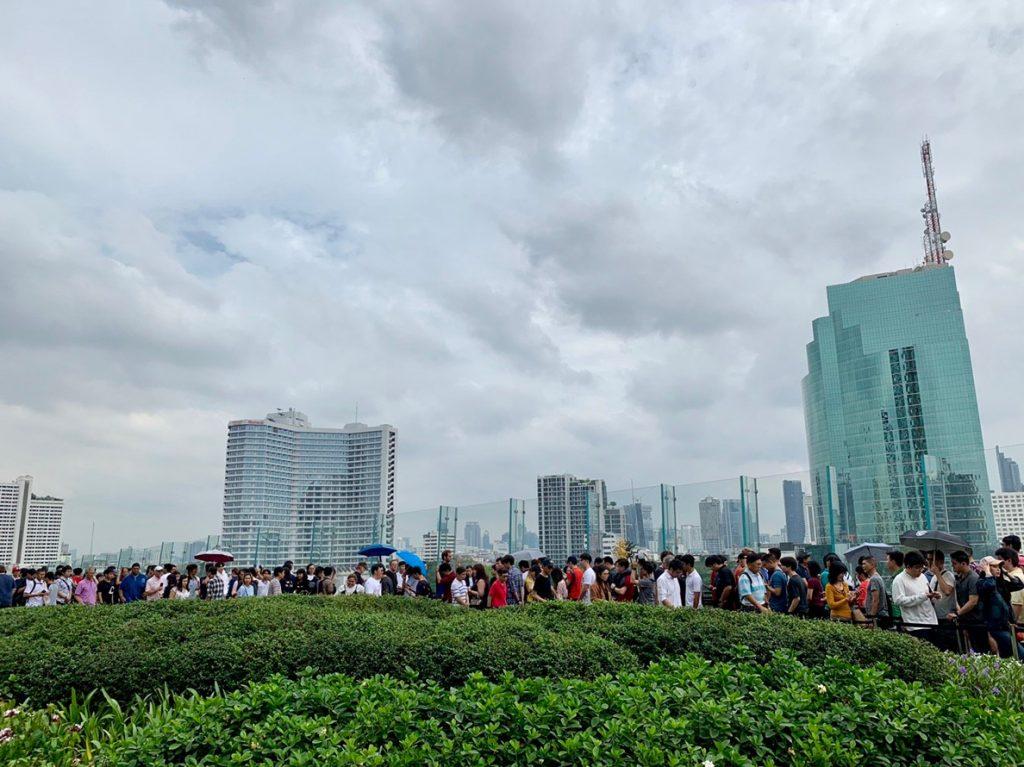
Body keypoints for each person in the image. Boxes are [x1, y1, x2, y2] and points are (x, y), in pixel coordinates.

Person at [892, 551, 939, 642]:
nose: (920, 570)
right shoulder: (899, 580)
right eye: (917, 568)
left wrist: (933, 595)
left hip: (931, 620)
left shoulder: (923, 577)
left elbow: (927, 593)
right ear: (908, 567)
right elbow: (898, 600)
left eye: (922, 567)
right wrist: (922, 597)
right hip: (915, 624)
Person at [993, 547, 1024, 622]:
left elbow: (1016, 605)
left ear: (1009, 560)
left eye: (1000, 560)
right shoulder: (1012, 575)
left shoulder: (1017, 578)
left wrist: (1011, 624)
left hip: (1017, 625)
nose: (997, 563)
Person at [927, 551, 957, 626]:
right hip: (936, 616)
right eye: (928, 560)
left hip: (947, 617)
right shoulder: (934, 577)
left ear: (941, 561)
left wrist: (937, 573)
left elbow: (947, 591)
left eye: (932, 560)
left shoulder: (948, 575)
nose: (930, 562)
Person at [862, 557, 890, 625]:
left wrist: (872, 618)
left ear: (872, 565)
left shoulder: (874, 579)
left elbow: (875, 600)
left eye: (864, 564)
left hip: (877, 616)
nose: (863, 566)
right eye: (862, 564)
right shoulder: (877, 577)